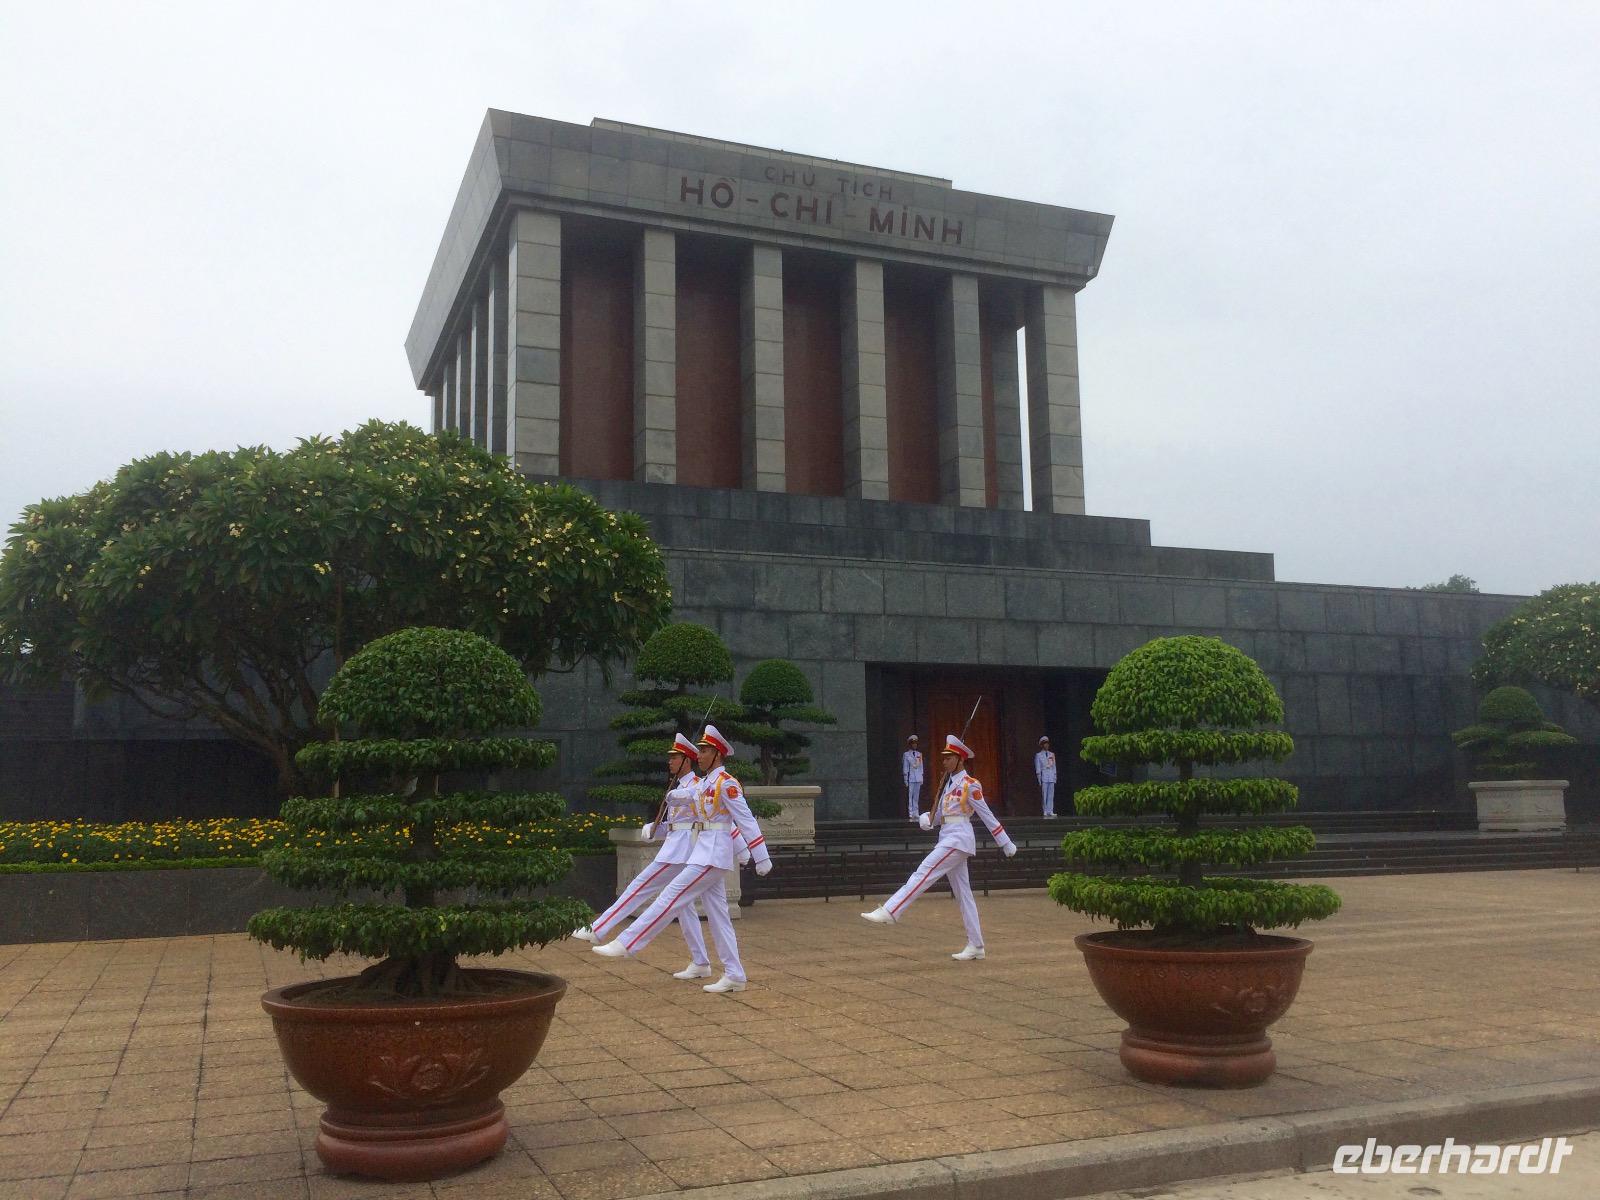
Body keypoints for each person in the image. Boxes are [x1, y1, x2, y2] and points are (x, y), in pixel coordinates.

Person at [592, 725, 773, 993]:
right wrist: (675, 795)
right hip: (704, 852)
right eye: (699, 750)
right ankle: (734, 974)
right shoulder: (707, 783)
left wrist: (760, 856)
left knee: (671, 897)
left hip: (711, 856)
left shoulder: (727, 783)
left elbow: (744, 821)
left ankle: (628, 942)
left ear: (718, 755)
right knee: (718, 916)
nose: (699, 755)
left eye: (705, 750)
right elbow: (691, 795)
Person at [571, 733, 715, 980]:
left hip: (681, 851)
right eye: (670, 757)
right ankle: (700, 961)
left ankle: (599, 928)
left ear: (687, 761)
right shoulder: (681, 786)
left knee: (640, 886)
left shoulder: (696, 786)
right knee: (684, 907)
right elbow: (676, 823)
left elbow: (699, 819)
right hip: (678, 846)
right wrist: (654, 827)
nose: (669, 762)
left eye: (675, 757)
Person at [861, 734, 1016, 959]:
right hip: (947, 836)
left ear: (959, 759)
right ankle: (976, 946)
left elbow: (986, 815)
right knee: (964, 894)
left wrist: (1005, 841)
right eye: (943, 758)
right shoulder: (948, 785)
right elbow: (940, 816)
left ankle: (891, 910)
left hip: (959, 838)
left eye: (948, 758)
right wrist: (926, 819)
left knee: (924, 872)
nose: (943, 761)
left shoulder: (969, 785)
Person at [902, 734, 924, 820]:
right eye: (913, 743)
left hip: (918, 777)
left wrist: (922, 777)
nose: (915, 745)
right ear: (910, 744)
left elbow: (921, 766)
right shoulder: (906, 755)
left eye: (916, 743)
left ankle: (916, 812)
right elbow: (905, 767)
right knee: (910, 795)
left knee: (916, 796)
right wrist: (905, 779)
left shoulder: (919, 754)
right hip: (911, 778)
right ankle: (910, 812)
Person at [1035, 735, 1058, 818]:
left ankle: (1050, 810)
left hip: (1051, 776)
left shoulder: (1052, 754)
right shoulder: (1038, 755)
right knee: (1044, 794)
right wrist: (1039, 779)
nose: (1046, 745)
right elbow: (1038, 768)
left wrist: (1055, 776)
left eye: (1047, 743)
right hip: (1044, 776)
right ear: (1042, 745)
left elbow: (1054, 766)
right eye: (1045, 744)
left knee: (1051, 794)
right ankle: (1045, 810)